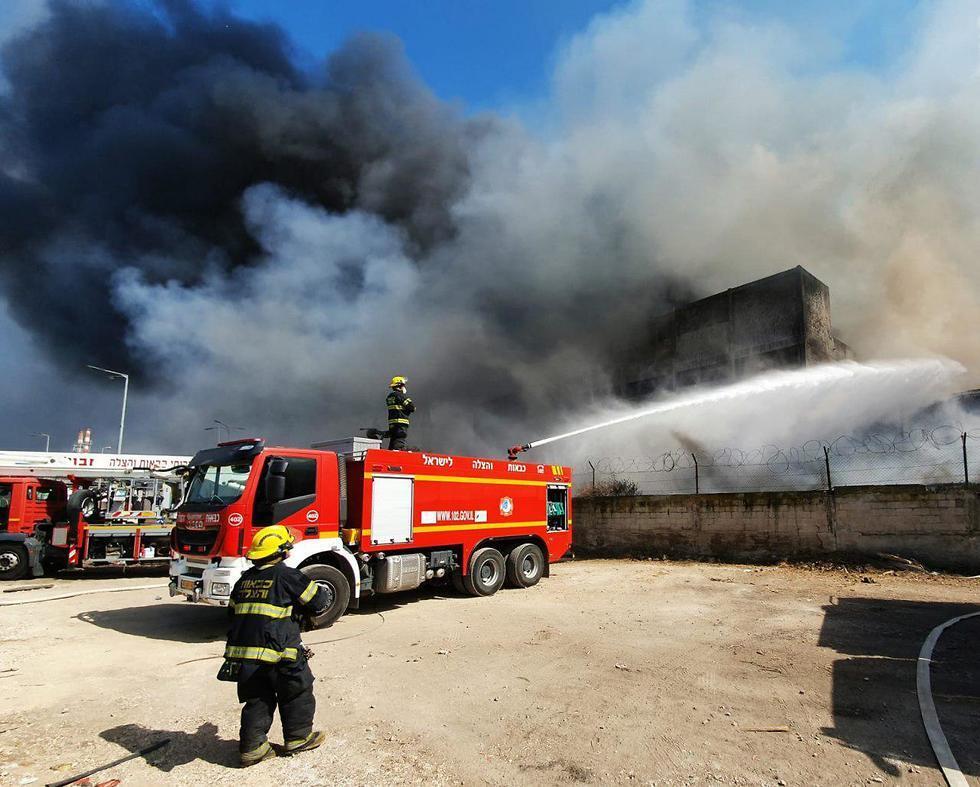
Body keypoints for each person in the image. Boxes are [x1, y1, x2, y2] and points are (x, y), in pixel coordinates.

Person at [220, 525, 330, 767]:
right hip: (281, 652)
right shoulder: (287, 575)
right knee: (297, 692)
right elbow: (319, 601)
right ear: (282, 551)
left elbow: (232, 614)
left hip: (245, 656)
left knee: (258, 698)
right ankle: (299, 738)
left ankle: (252, 749)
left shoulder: (243, 581)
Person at [385, 375, 415, 450]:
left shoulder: (389, 397)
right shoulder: (401, 396)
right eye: (403, 385)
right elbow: (412, 408)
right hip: (401, 425)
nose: (404, 387)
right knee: (399, 445)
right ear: (399, 386)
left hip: (392, 425)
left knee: (393, 443)